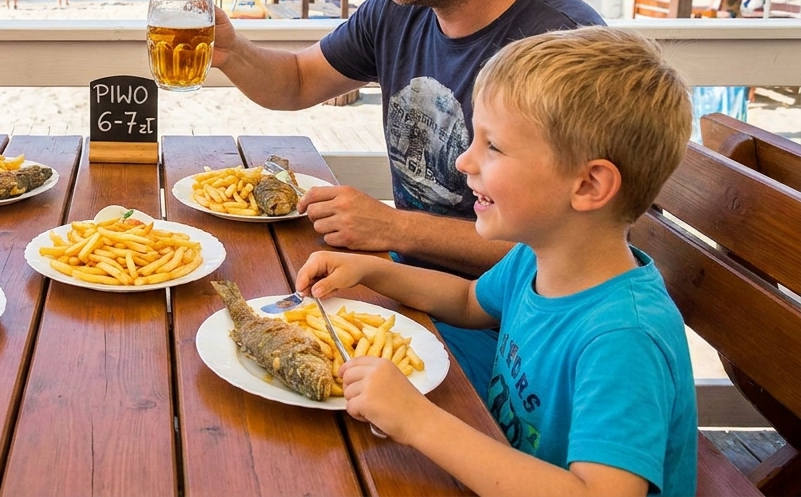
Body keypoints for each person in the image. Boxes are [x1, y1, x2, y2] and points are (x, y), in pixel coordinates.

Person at [209, 0, 603, 399]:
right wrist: (233, 51)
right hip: (402, 283)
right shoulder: (402, 7)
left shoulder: (562, 48)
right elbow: (295, 82)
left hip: (510, 330)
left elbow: (569, 245)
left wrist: (394, 226)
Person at [296, 27, 697, 497]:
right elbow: (468, 300)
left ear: (588, 186)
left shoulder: (624, 337)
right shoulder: (537, 256)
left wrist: (418, 421)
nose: (465, 161)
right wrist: (373, 271)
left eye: (493, 146)